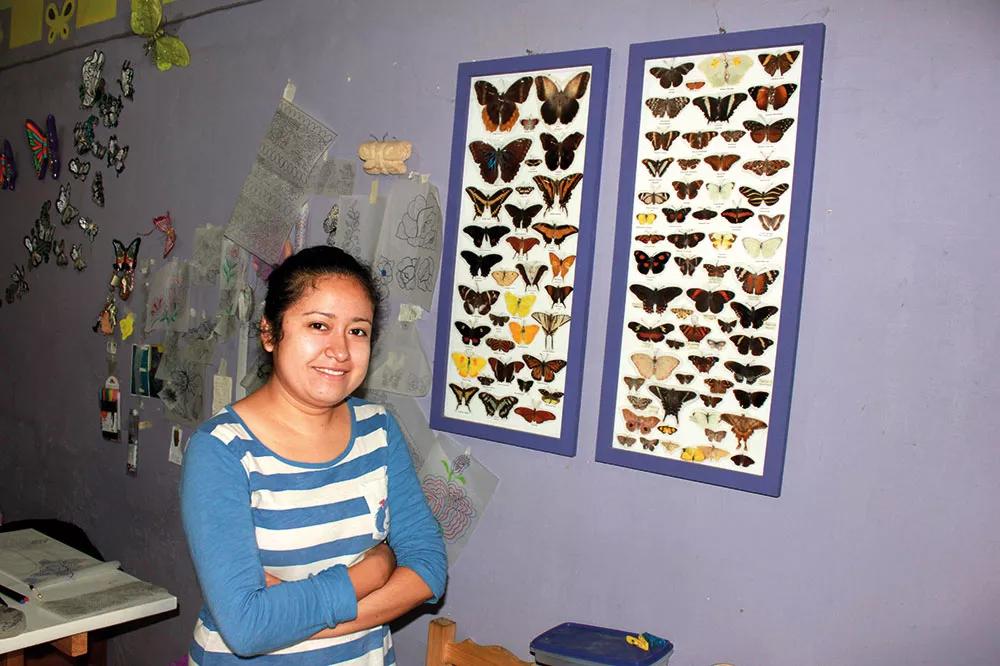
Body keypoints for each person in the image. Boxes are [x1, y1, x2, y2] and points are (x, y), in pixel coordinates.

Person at [180, 245, 446, 664]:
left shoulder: (379, 431)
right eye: (319, 325)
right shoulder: (221, 451)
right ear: (270, 333)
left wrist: (291, 616)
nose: (340, 351)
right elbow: (247, 629)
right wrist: (370, 573)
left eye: (357, 331)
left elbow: (428, 568)